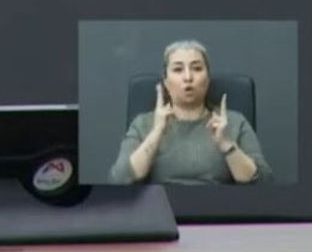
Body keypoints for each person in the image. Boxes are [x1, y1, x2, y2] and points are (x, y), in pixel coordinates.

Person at [109, 40, 271, 185]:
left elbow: (264, 181)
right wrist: (156, 132)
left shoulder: (233, 122)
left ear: (207, 78)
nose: (188, 77)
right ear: (166, 81)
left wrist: (226, 144)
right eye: (178, 69)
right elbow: (119, 180)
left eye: (197, 68)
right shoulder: (143, 124)